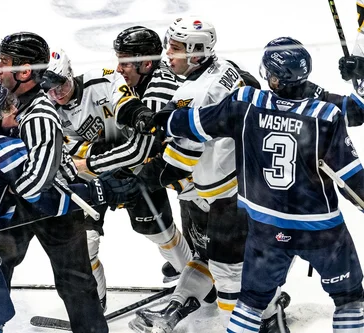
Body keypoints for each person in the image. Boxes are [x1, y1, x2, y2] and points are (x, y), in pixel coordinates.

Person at [145, 37, 364, 333]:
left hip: (266, 230)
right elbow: (353, 180)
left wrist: (163, 120)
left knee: (249, 302)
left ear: (272, 77)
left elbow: (195, 123)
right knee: (349, 299)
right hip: (321, 232)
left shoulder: (247, 103)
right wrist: (361, 79)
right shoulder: (325, 115)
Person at [0, 82, 140, 333]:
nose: (15, 108)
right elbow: (45, 198)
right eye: (5, 107)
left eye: (10, 101)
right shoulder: (3, 151)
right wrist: (99, 191)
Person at [123, 18, 289, 333]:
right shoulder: (226, 68)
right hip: (251, 181)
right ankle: (269, 320)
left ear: (197, 52)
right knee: (230, 265)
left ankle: (254, 325)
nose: (167, 55)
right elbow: (249, 85)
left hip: (231, 194)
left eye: (174, 48)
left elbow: (180, 161)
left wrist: (136, 182)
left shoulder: (195, 93)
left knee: (227, 272)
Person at [0, 31, 125, 332]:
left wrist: (3, 191)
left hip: (56, 208)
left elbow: (35, 183)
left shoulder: (40, 116)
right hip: (26, 203)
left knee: (75, 284)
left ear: (25, 71)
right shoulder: (4, 99)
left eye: (5, 62)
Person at [40, 46, 192, 310]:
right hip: (92, 179)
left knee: (161, 234)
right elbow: (68, 153)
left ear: (70, 73)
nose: (58, 94)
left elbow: (127, 109)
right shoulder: (47, 112)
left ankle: (195, 282)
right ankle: (94, 305)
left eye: (61, 85)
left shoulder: (104, 77)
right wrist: (94, 157)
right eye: (50, 91)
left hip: (135, 172)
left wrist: (130, 124)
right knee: (84, 244)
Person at [113, 25, 193, 282]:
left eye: (125, 63)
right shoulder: (150, 78)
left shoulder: (157, 94)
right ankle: (193, 264)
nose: (118, 69)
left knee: (211, 237)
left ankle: (201, 281)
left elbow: (140, 153)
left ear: (146, 64)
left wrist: (91, 164)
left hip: (201, 174)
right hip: (186, 167)